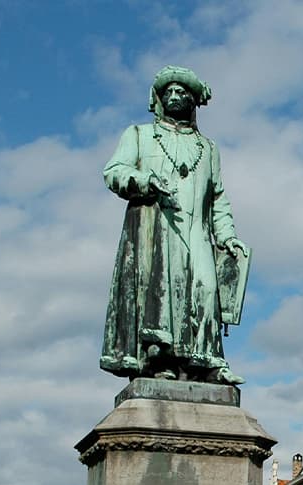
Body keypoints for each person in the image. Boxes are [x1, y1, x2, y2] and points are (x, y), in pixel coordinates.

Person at [100, 65, 246, 385]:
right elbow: (114, 171)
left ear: (194, 101)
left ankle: (207, 361)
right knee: (162, 295)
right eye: (170, 91)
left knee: (206, 290)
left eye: (183, 92)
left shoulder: (208, 148)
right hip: (156, 227)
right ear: (160, 99)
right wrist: (143, 180)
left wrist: (228, 236)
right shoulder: (138, 134)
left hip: (198, 231)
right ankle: (159, 360)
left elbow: (218, 197)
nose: (176, 96)